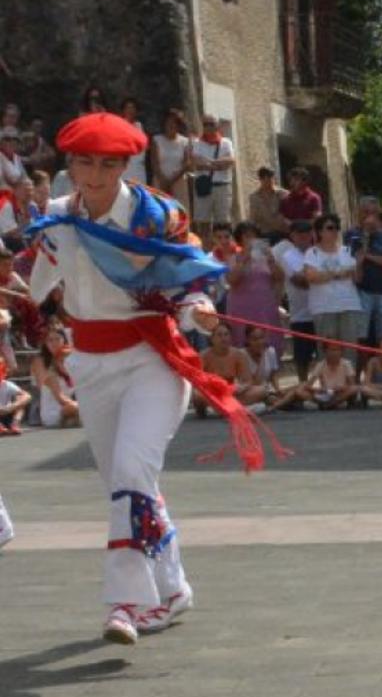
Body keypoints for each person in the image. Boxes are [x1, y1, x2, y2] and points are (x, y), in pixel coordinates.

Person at [21, 112, 258, 644]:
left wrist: (199, 310)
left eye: (108, 165)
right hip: (91, 365)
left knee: (131, 471)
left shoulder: (157, 216)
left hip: (151, 361)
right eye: (85, 163)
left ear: (126, 166)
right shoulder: (57, 216)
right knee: (129, 486)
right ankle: (173, 590)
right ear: (70, 165)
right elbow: (41, 279)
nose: (95, 175)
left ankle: (125, 602)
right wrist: (29, 292)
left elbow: (188, 279)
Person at [302, 214, 365, 354]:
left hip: (349, 305)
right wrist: (338, 274)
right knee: (327, 351)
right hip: (324, 307)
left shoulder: (347, 251)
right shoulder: (312, 253)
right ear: (320, 232)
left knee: (350, 350)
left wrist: (359, 264)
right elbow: (311, 276)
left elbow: (357, 279)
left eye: (337, 228)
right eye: (330, 228)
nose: (335, 231)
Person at [350, 200, 382, 348]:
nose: (370, 217)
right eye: (366, 212)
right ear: (359, 214)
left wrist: (368, 257)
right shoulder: (351, 235)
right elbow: (351, 260)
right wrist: (365, 236)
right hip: (361, 291)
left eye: (373, 213)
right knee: (360, 334)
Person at [274, 217, 318, 381]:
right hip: (300, 314)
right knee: (302, 355)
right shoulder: (288, 256)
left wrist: (316, 276)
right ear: (292, 236)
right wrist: (322, 276)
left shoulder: (318, 252)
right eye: (299, 233)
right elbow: (301, 282)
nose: (303, 237)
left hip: (321, 310)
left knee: (323, 352)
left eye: (306, 233)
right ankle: (302, 384)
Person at [187, 115, 235, 230]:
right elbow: (196, 163)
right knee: (203, 223)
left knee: (223, 223)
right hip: (203, 186)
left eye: (211, 124)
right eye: (205, 124)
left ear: (217, 126)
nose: (208, 127)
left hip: (222, 186)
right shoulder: (197, 143)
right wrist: (218, 164)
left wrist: (208, 163)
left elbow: (230, 161)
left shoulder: (226, 142)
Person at [31, 330, 81, 428]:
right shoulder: (50, 375)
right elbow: (61, 399)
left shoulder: (70, 374)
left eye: (57, 339)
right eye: (50, 340)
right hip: (53, 412)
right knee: (82, 407)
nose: (54, 343)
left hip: (67, 408)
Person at [148, 109, 193, 202]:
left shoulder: (185, 141)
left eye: (174, 123)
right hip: (160, 181)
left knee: (179, 209)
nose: (171, 125)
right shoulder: (157, 140)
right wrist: (163, 181)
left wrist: (172, 180)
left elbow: (187, 163)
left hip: (179, 181)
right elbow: (154, 163)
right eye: (168, 123)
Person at [246, 166, 286, 236]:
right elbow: (253, 217)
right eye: (265, 179)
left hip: (281, 232)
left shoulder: (283, 194)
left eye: (271, 178)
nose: (269, 181)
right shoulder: (254, 197)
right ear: (260, 179)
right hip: (263, 233)